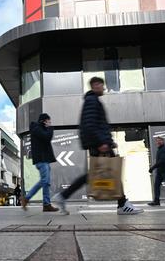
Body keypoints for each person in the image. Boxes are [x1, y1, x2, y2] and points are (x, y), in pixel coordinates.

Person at [53, 77, 144, 215]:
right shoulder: (92, 101)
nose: (104, 88)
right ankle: (122, 204)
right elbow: (90, 125)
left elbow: (95, 124)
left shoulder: (92, 101)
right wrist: (102, 142)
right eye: (102, 85)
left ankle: (63, 196)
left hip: (99, 143)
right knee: (113, 172)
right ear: (95, 85)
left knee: (93, 175)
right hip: (100, 144)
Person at [21, 113, 59, 212]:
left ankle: (46, 204)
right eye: (49, 121)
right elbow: (47, 137)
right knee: (45, 181)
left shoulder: (40, 129)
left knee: (45, 182)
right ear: (44, 121)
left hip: (44, 160)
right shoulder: (37, 129)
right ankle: (27, 198)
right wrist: (50, 129)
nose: (50, 123)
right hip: (41, 160)